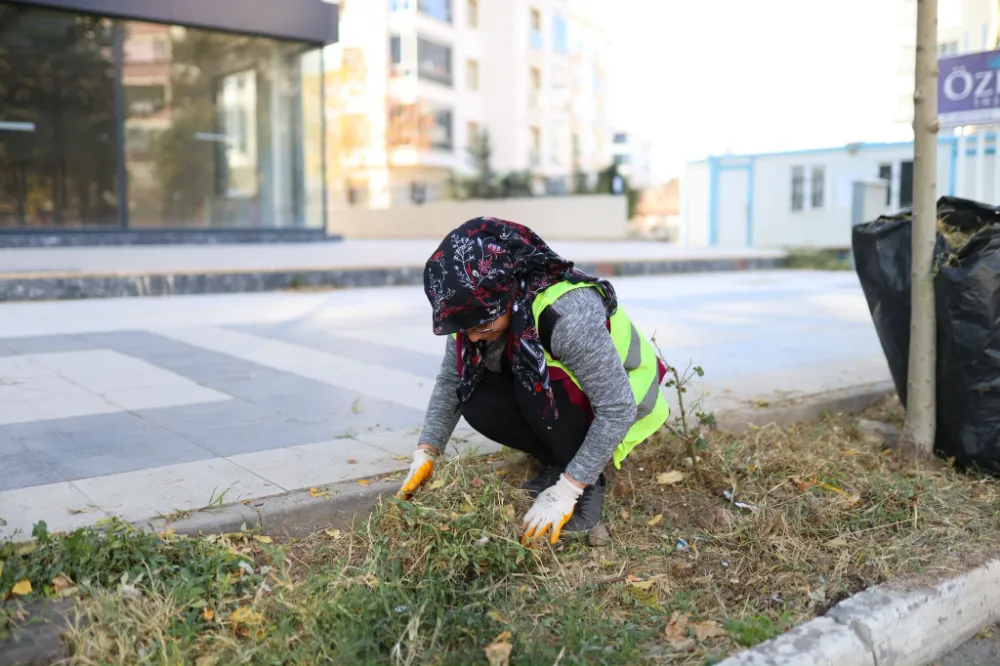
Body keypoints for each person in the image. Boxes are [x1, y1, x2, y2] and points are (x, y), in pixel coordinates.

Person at [397, 217, 670, 545]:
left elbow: (618, 407)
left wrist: (568, 489)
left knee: (533, 390)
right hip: (569, 399)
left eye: (480, 325)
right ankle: (558, 459)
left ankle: (586, 484)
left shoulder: (566, 317)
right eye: (463, 326)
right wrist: (427, 451)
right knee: (475, 395)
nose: (471, 335)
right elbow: (450, 378)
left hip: (626, 401)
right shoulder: (475, 311)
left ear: (505, 291)